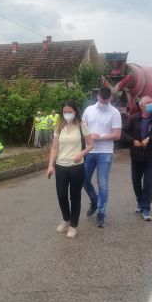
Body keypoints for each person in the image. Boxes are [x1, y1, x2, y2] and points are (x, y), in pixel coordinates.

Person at [47, 101, 93, 238]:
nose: (67, 114)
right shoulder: (59, 127)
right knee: (61, 195)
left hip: (76, 168)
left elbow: (91, 145)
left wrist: (81, 154)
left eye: (69, 112)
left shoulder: (81, 126)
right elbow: (54, 148)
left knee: (75, 196)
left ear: (75, 112)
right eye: (65, 112)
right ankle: (66, 219)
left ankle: (73, 225)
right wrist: (50, 165)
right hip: (61, 167)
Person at [121, 96, 152, 221]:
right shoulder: (133, 118)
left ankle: (146, 207)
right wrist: (133, 141)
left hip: (150, 156)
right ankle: (140, 201)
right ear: (141, 106)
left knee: (148, 183)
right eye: (148, 103)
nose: (151, 104)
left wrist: (151, 139)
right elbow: (123, 132)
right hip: (136, 155)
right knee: (136, 181)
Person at [82, 87, 122, 227]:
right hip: (90, 151)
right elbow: (83, 128)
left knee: (102, 183)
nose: (103, 103)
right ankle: (95, 200)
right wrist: (89, 136)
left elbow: (117, 135)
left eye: (106, 101)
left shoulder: (115, 113)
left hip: (105, 152)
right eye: (101, 100)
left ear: (110, 98)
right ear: (97, 96)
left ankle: (101, 213)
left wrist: (99, 137)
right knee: (84, 180)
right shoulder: (89, 110)